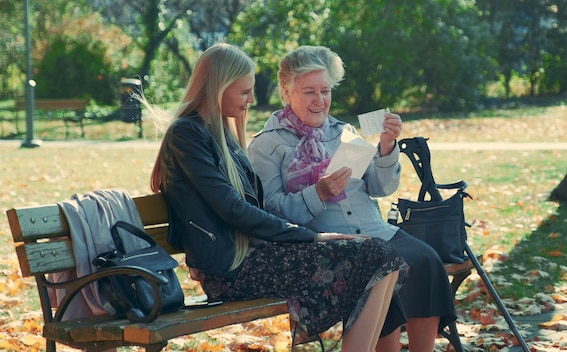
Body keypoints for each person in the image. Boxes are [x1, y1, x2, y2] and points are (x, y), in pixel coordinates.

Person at [148, 42, 407, 352]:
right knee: (375, 255)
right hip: (229, 269)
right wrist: (313, 238)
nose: (252, 100)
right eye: (245, 92)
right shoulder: (187, 135)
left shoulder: (220, 134)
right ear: (220, 87)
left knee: (384, 255)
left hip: (255, 255)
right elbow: (233, 210)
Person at [248, 45, 456, 352]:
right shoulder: (267, 145)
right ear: (286, 91)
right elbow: (271, 213)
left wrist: (386, 147)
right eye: (309, 92)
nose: (319, 101)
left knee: (425, 260)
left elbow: (379, 186)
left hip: (376, 231)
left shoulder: (343, 132)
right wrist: (318, 193)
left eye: (325, 91)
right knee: (383, 269)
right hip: (332, 241)